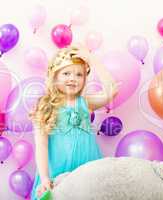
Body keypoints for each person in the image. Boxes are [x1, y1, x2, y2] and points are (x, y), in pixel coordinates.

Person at [29, 45, 119, 199]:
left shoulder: (85, 102)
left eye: (79, 74)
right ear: (55, 76)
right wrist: (44, 177)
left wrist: (92, 60)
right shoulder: (45, 106)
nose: (72, 78)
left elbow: (112, 91)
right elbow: (41, 145)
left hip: (88, 169)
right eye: (66, 73)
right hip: (57, 173)